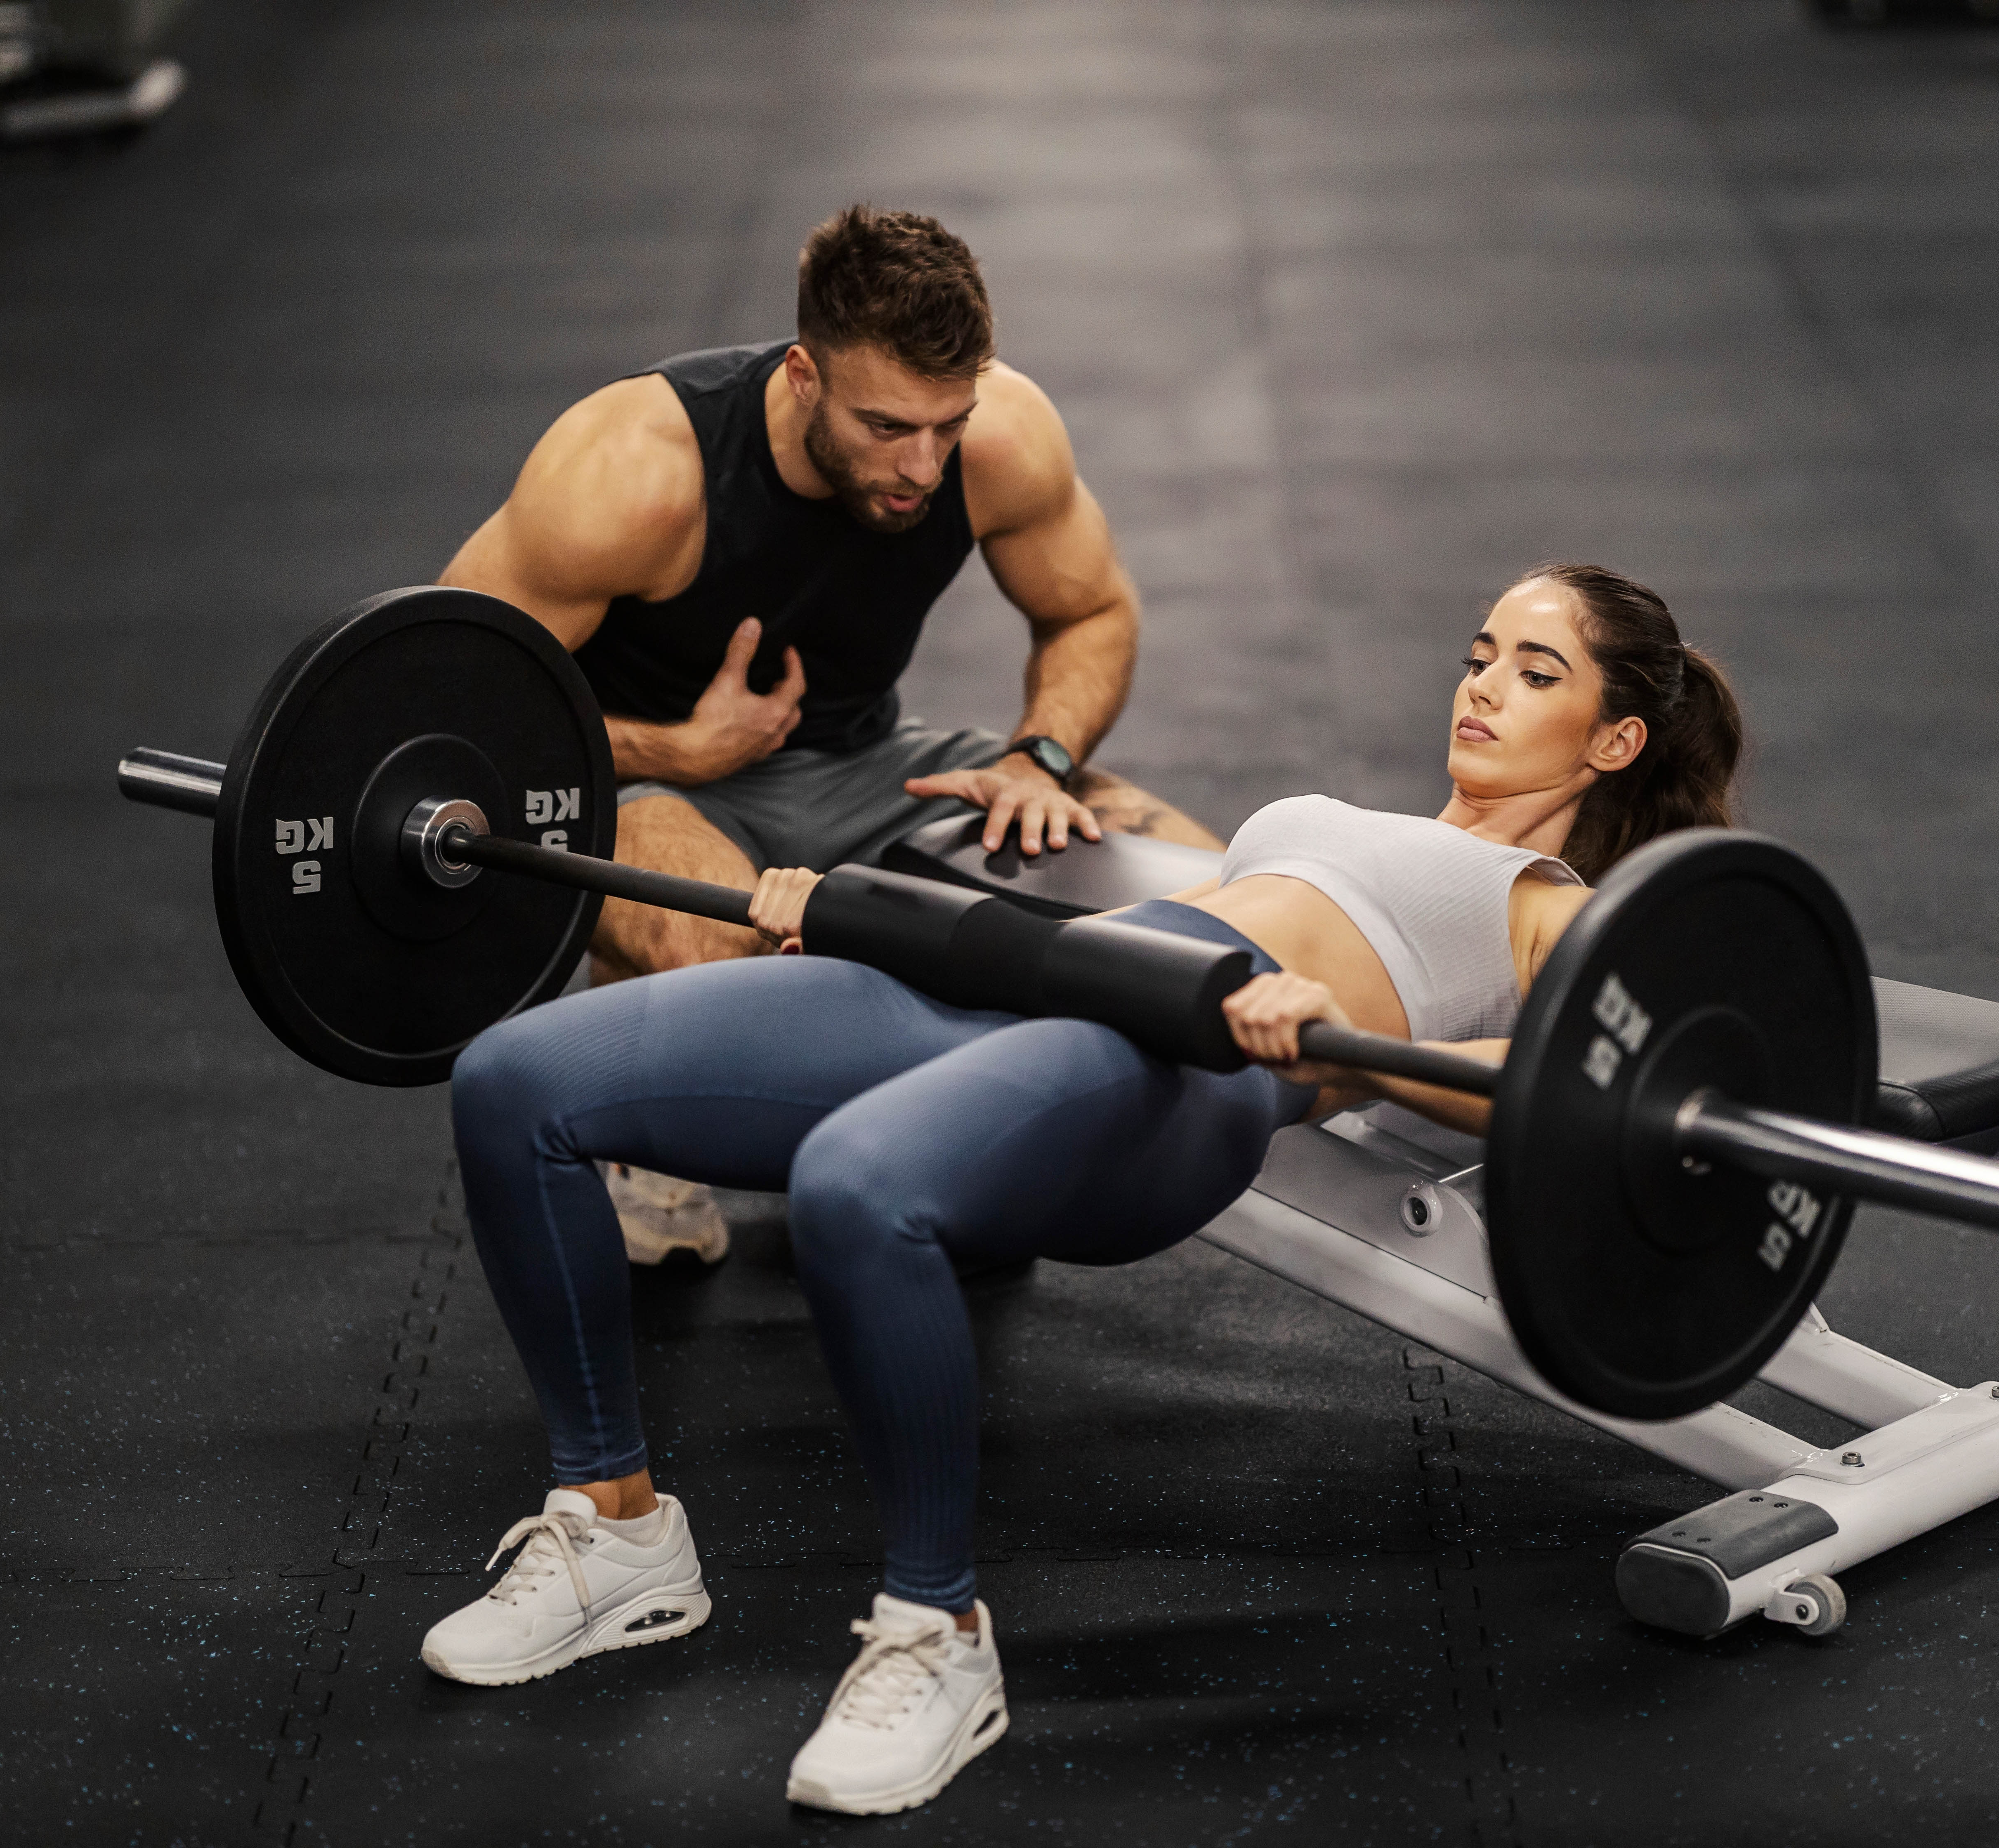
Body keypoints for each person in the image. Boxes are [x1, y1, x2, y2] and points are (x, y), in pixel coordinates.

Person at [425, 562, 1744, 1815]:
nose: (1482, 687)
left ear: (1613, 741)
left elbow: (1566, 1078)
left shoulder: (1548, 903)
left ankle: (936, 1635)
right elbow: (1168, 897)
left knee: (858, 1185)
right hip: (1013, 974)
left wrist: (1356, 1045)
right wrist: (976, 852)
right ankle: (617, 1533)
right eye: (1478, 658)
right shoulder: (1348, 824)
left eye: (1533, 671)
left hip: (1181, 1065)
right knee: (513, 1080)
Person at [439, 203, 1218, 1263]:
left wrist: (1037, 759)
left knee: (1214, 899)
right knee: (730, 957)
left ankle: (944, 1135)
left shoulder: (1000, 439)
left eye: (948, 424)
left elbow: (1090, 611)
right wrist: (682, 752)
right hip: (639, 786)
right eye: (886, 428)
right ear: (804, 376)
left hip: (872, 769)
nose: (922, 467)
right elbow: (448, 695)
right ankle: (664, 1129)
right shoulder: (635, 472)